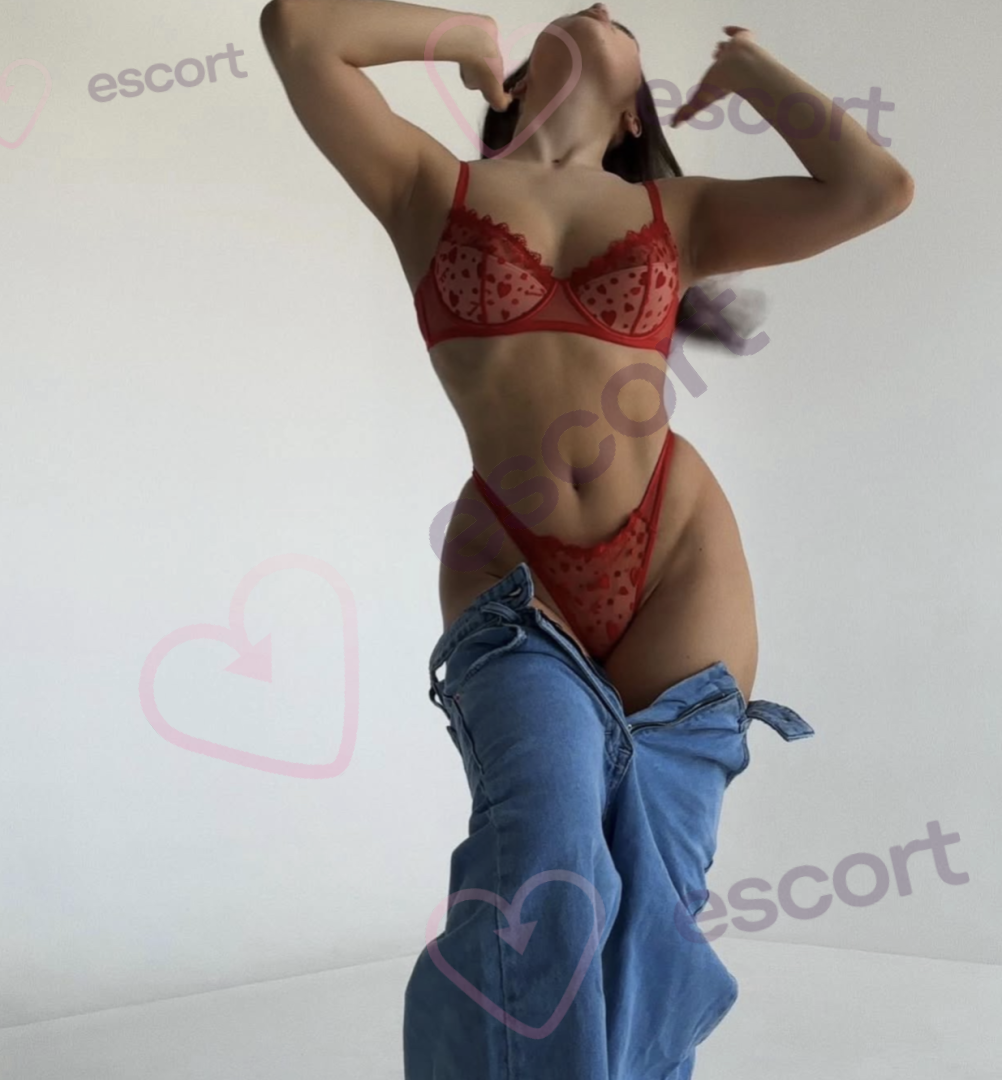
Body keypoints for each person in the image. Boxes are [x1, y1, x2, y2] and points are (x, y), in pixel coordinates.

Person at [259, 3, 914, 1076]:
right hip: (514, 574)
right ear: (516, 83)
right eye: (583, 10)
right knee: (544, 864)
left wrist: (751, 73)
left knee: (656, 889)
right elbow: (297, 29)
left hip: (677, 556)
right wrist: (460, 38)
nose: (605, 6)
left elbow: (874, 190)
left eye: (622, 21)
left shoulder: (677, 213)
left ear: (633, 119)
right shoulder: (427, 186)